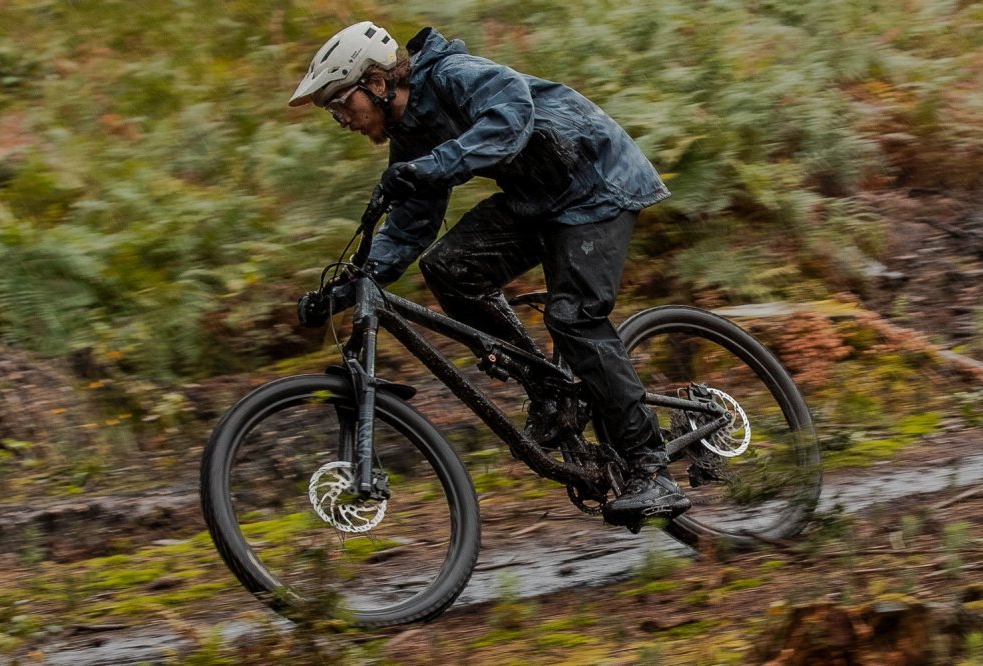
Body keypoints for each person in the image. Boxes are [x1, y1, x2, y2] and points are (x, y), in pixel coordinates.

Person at [288, 21, 687, 520]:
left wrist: (433, 166)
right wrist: (346, 287)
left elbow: (510, 115)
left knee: (573, 319)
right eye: (333, 113)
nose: (342, 119)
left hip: (595, 182)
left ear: (375, 82)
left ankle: (652, 469)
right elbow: (411, 228)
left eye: (341, 104)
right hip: (536, 199)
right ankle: (549, 391)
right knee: (449, 268)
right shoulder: (409, 133)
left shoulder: (454, 73)